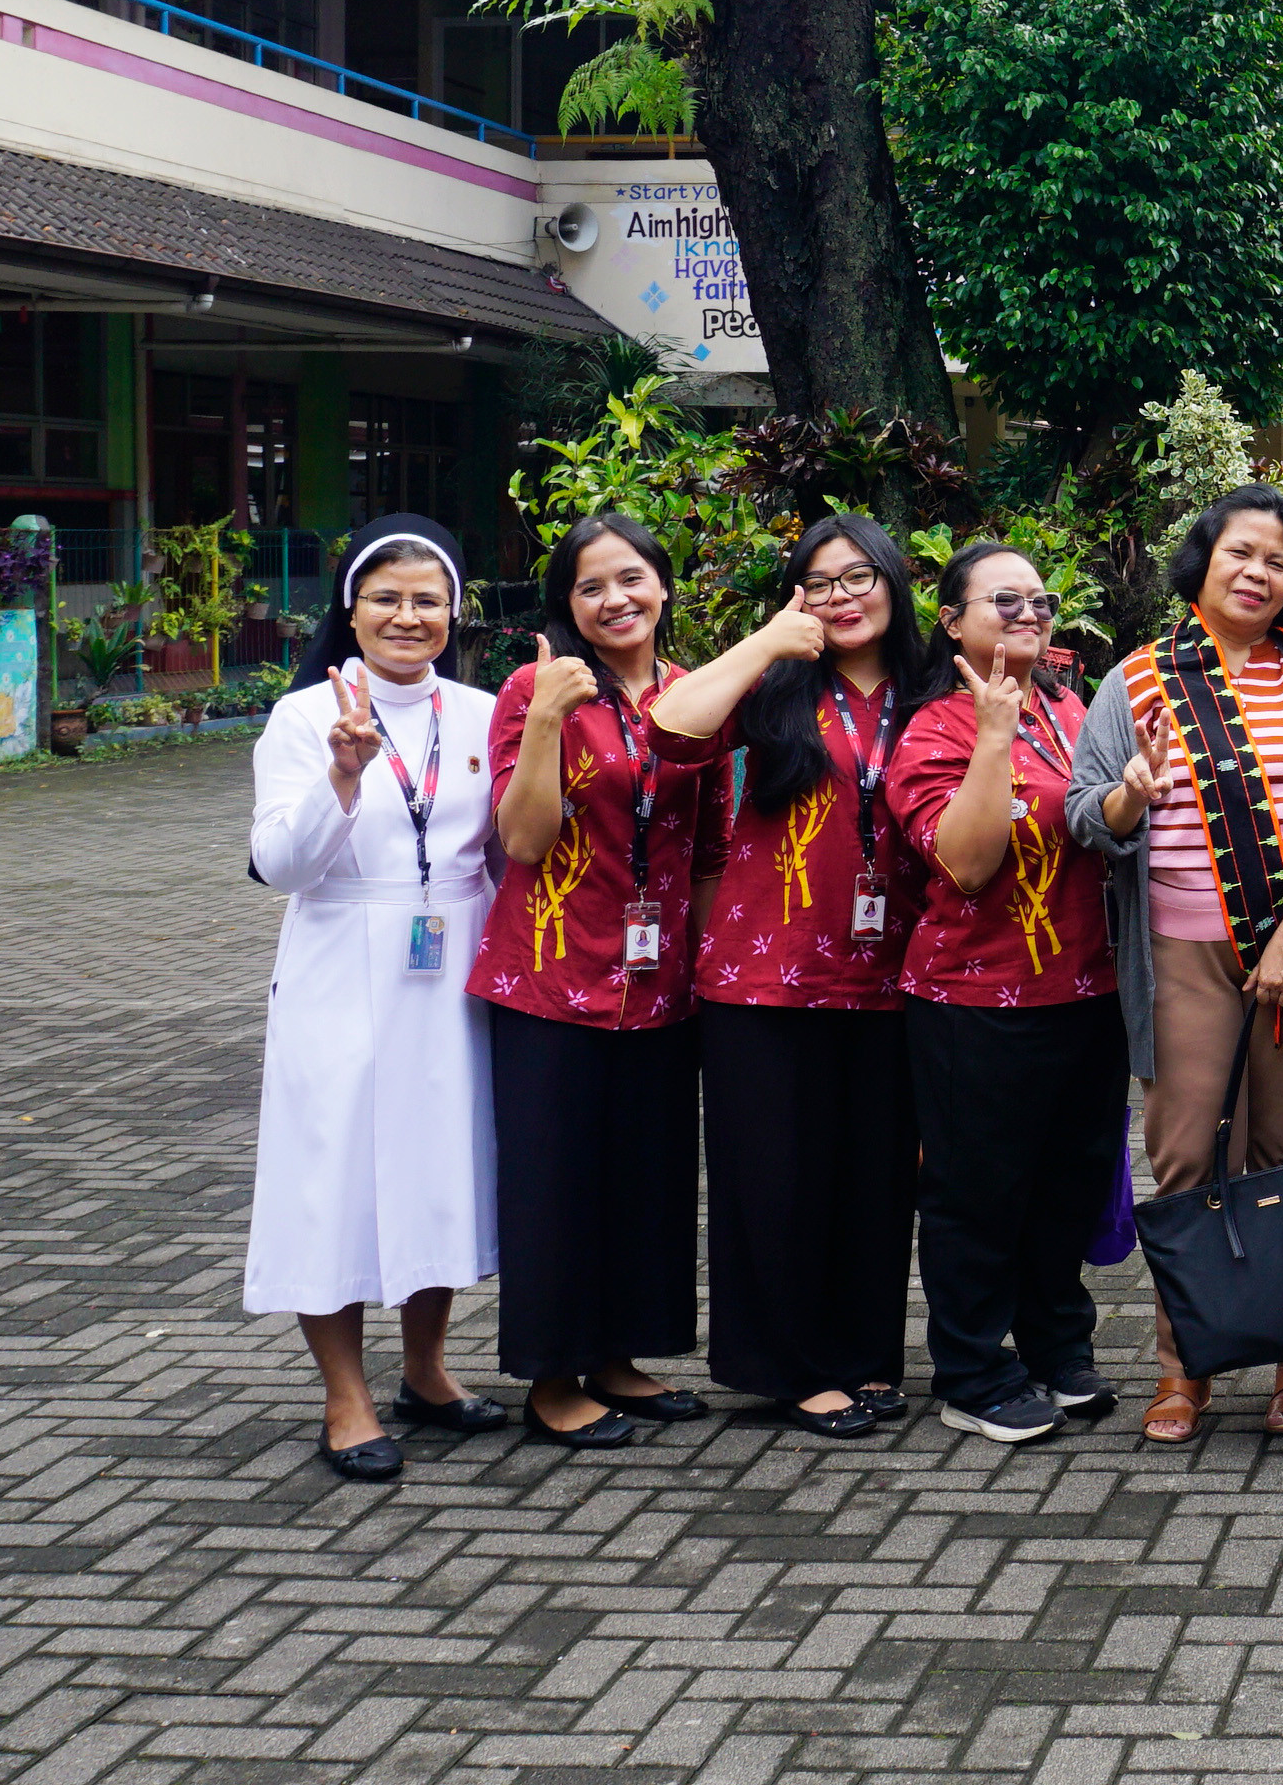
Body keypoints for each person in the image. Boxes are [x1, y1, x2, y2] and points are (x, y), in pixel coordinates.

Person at [1074, 484, 1283, 1444]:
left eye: (1279, 561)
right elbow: (1087, 816)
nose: (1258, 573)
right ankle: (1185, 1367)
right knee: (1187, 1158)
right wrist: (1129, 797)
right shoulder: (1135, 681)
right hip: (1182, 956)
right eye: (1242, 553)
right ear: (1203, 559)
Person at [648, 516, 926, 1441]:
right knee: (774, 1176)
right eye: (820, 582)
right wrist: (768, 637)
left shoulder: (927, 692)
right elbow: (672, 729)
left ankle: (865, 1358)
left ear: (894, 582)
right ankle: (787, 1367)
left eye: (860, 576)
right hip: (763, 976)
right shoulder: (771, 686)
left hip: (891, 976)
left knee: (874, 1179)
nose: (843, 596)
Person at [243, 515, 505, 1482]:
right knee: (337, 1174)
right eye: (386, 598)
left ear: (455, 612)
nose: (408, 616)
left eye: (427, 600)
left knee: (441, 1166)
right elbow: (280, 865)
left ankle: (429, 1371)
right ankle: (345, 1396)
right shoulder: (303, 719)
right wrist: (343, 780)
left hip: (453, 962)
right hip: (341, 962)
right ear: (350, 612)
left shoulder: (482, 713)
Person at [476, 514, 709, 1449]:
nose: (615, 600)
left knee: (645, 1180)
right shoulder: (537, 687)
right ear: (566, 605)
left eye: (631, 578)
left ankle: (618, 1357)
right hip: (549, 978)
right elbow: (522, 839)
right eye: (590, 586)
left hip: (659, 987)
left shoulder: (694, 694)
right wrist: (542, 722)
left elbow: (713, 840)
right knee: (555, 1182)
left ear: (662, 585)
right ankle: (553, 1377)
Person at [893, 538, 1123, 1447]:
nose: (1027, 618)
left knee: (1063, 1186)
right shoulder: (935, 727)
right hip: (972, 1000)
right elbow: (964, 860)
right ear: (951, 621)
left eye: (1039, 603)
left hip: (1085, 989)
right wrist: (992, 734)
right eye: (1004, 603)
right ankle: (972, 1368)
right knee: (977, 1192)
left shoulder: (1073, 708)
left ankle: (1057, 1345)